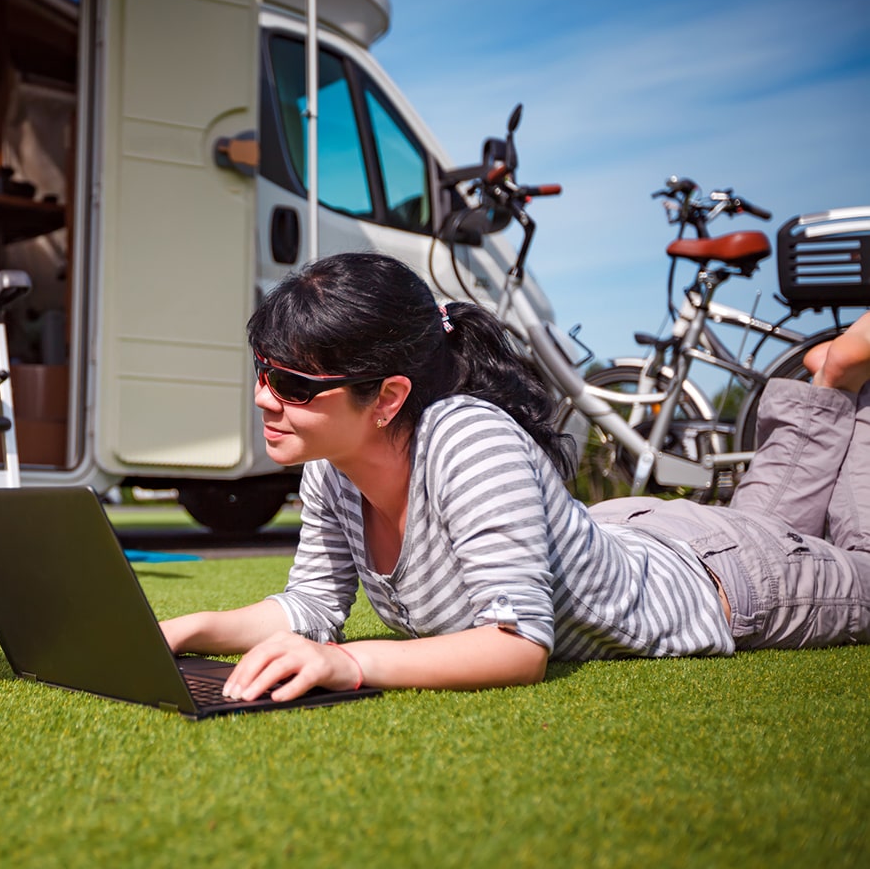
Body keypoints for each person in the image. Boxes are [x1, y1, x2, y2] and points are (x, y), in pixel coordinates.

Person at [159, 252, 870, 698]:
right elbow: (310, 607)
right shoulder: (334, 467)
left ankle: (841, 378)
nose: (263, 397)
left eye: (292, 383)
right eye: (262, 371)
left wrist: (350, 664)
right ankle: (830, 378)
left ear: (389, 398)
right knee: (771, 521)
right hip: (630, 535)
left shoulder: (467, 439)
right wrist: (185, 628)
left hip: (724, 587)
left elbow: (516, 645)